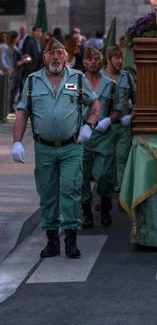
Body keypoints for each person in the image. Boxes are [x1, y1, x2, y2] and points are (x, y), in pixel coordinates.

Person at [11, 38, 100, 258]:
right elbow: (22, 114)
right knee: (48, 194)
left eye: (60, 53)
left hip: (71, 147)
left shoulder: (78, 79)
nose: (56, 58)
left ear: (66, 56)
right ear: (45, 58)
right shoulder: (32, 82)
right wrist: (16, 142)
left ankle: (70, 240)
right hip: (44, 149)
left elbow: (95, 104)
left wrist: (89, 126)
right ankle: (52, 241)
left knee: (70, 191)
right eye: (51, 54)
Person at [80, 47, 122, 229]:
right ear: (84, 63)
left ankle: (105, 205)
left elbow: (119, 109)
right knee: (80, 176)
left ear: (102, 62)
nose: (93, 62)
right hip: (81, 136)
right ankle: (86, 211)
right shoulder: (76, 83)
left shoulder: (111, 84)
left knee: (104, 175)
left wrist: (108, 120)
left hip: (103, 135)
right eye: (89, 60)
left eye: (97, 59)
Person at [102, 46, 136, 189]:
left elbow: (138, 101)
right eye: (116, 58)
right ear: (108, 59)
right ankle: (105, 194)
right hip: (103, 127)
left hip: (122, 126)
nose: (120, 61)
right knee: (104, 162)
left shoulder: (127, 77)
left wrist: (131, 116)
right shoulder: (99, 77)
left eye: (121, 58)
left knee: (122, 158)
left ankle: (123, 193)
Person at [7, 31, 25, 116]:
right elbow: (15, 63)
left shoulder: (13, 47)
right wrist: (24, 61)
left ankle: (10, 109)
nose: (19, 39)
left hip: (17, 73)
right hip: (15, 73)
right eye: (17, 37)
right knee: (12, 92)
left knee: (14, 91)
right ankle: (10, 109)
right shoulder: (12, 49)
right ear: (14, 38)